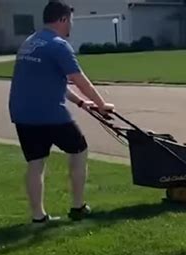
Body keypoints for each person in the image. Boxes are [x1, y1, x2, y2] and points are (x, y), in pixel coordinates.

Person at [8, 0, 114, 224]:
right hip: (49, 113)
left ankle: (38, 216)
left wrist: (81, 103)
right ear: (63, 19)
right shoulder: (58, 44)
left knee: (35, 163)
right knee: (79, 150)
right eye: (71, 20)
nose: (71, 26)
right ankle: (77, 206)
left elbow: (53, 82)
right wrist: (102, 105)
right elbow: (79, 79)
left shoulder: (30, 42)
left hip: (22, 113)